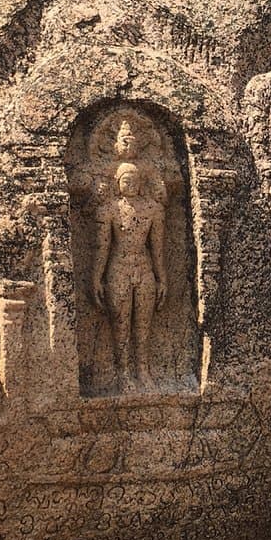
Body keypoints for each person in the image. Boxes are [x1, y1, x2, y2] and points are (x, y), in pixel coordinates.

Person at [92, 162, 167, 390]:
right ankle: (123, 373)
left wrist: (162, 277)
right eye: (126, 180)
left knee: (143, 324)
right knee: (121, 323)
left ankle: (143, 370)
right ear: (117, 183)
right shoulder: (109, 210)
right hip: (118, 268)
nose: (131, 185)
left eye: (135, 180)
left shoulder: (153, 210)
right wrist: (97, 277)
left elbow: (157, 248)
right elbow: (102, 247)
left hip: (144, 268)